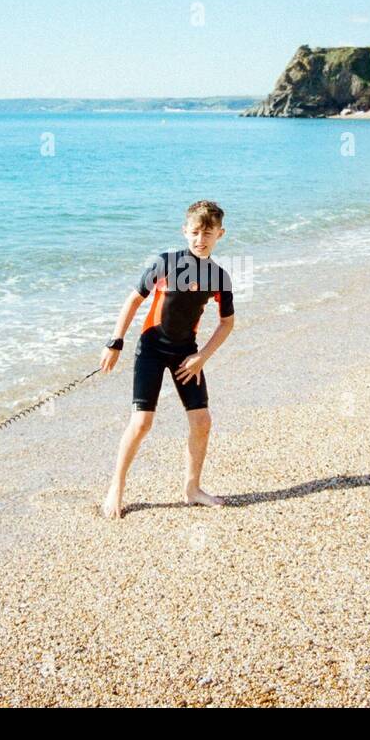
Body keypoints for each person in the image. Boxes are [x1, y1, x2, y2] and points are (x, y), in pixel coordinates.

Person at [100, 200, 235, 519]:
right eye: (195, 232)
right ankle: (116, 488)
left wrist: (202, 357)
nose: (200, 239)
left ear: (220, 234)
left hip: (186, 353)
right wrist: (115, 341)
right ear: (184, 231)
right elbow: (133, 300)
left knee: (202, 422)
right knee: (142, 422)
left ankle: (192, 489)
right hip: (151, 348)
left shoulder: (219, 277)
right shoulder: (165, 263)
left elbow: (227, 322)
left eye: (208, 233)